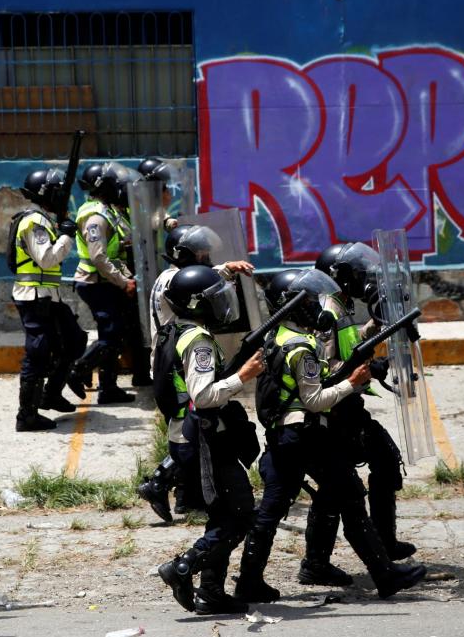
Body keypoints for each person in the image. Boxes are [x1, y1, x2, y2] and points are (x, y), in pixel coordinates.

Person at [234, 269, 426, 603]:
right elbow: (315, 399)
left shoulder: (276, 336)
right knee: (350, 496)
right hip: (306, 437)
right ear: (290, 305)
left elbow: (316, 379)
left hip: (284, 438)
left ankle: (250, 581)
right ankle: (384, 575)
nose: (313, 306)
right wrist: (352, 383)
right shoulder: (302, 347)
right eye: (306, 301)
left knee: (271, 511)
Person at [297, 243, 416, 588]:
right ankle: (316, 564)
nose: (367, 277)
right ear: (340, 277)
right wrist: (365, 368)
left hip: (350, 407)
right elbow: (325, 367)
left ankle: (386, 542)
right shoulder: (326, 311)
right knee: (337, 490)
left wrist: (375, 329)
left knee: (385, 461)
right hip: (334, 412)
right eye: (359, 272)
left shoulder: (343, 306)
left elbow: (348, 345)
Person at [155, 265, 264, 615]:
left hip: (190, 435)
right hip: (202, 440)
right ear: (197, 304)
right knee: (241, 514)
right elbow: (202, 395)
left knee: (224, 513)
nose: (221, 305)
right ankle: (183, 567)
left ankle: (211, 593)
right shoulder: (198, 340)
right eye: (214, 299)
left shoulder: (172, 329)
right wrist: (242, 377)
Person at [137, 226, 255, 522]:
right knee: (190, 428)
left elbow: (203, 283)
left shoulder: (174, 277)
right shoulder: (172, 281)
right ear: (186, 255)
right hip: (175, 364)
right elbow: (198, 287)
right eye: (201, 254)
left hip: (174, 359)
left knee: (190, 427)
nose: (206, 258)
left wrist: (226, 270)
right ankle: (160, 484)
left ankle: (185, 497)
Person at [12, 168, 88, 432]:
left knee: (74, 341)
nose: (62, 196)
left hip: (48, 297)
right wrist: (67, 235)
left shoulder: (43, 219)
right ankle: (27, 416)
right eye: (58, 191)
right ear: (47, 194)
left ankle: (51, 394)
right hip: (34, 298)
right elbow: (46, 258)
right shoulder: (34, 222)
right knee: (38, 354)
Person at [69, 162, 145, 404]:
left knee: (113, 333)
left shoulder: (109, 210)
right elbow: (99, 257)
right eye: (116, 184)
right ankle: (77, 370)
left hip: (106, 282)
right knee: (111, 334)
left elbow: (118, 248)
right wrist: (124, 282)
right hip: (95, 282)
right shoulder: (95, 217)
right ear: (105, 187)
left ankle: (108, 388)